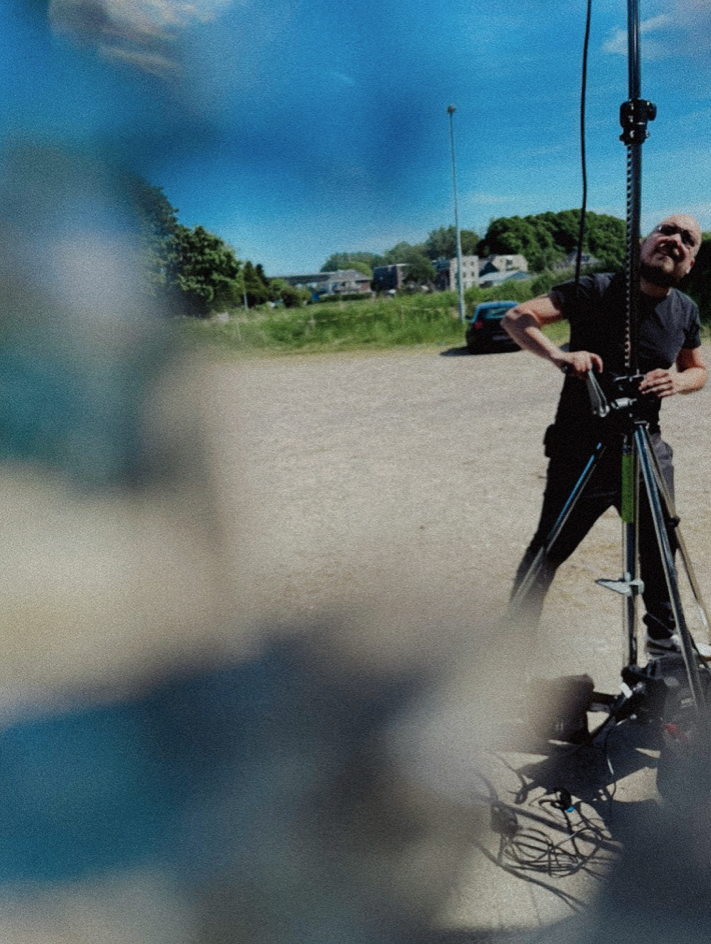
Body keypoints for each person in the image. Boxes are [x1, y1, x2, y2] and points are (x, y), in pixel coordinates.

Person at [501, 214, 707, 658]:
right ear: (643, 242)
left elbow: (697, 370)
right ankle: (509, 650)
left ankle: (661, 638)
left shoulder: (685, 311)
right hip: (582, 447)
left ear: (690, 263)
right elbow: (518, 318)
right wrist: (561, 357)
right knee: (548, 552)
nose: (674, 241)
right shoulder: (596, 289)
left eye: (687, 240)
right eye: (665, 231)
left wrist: (677, 382)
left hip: (645, 449)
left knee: (658, 548)